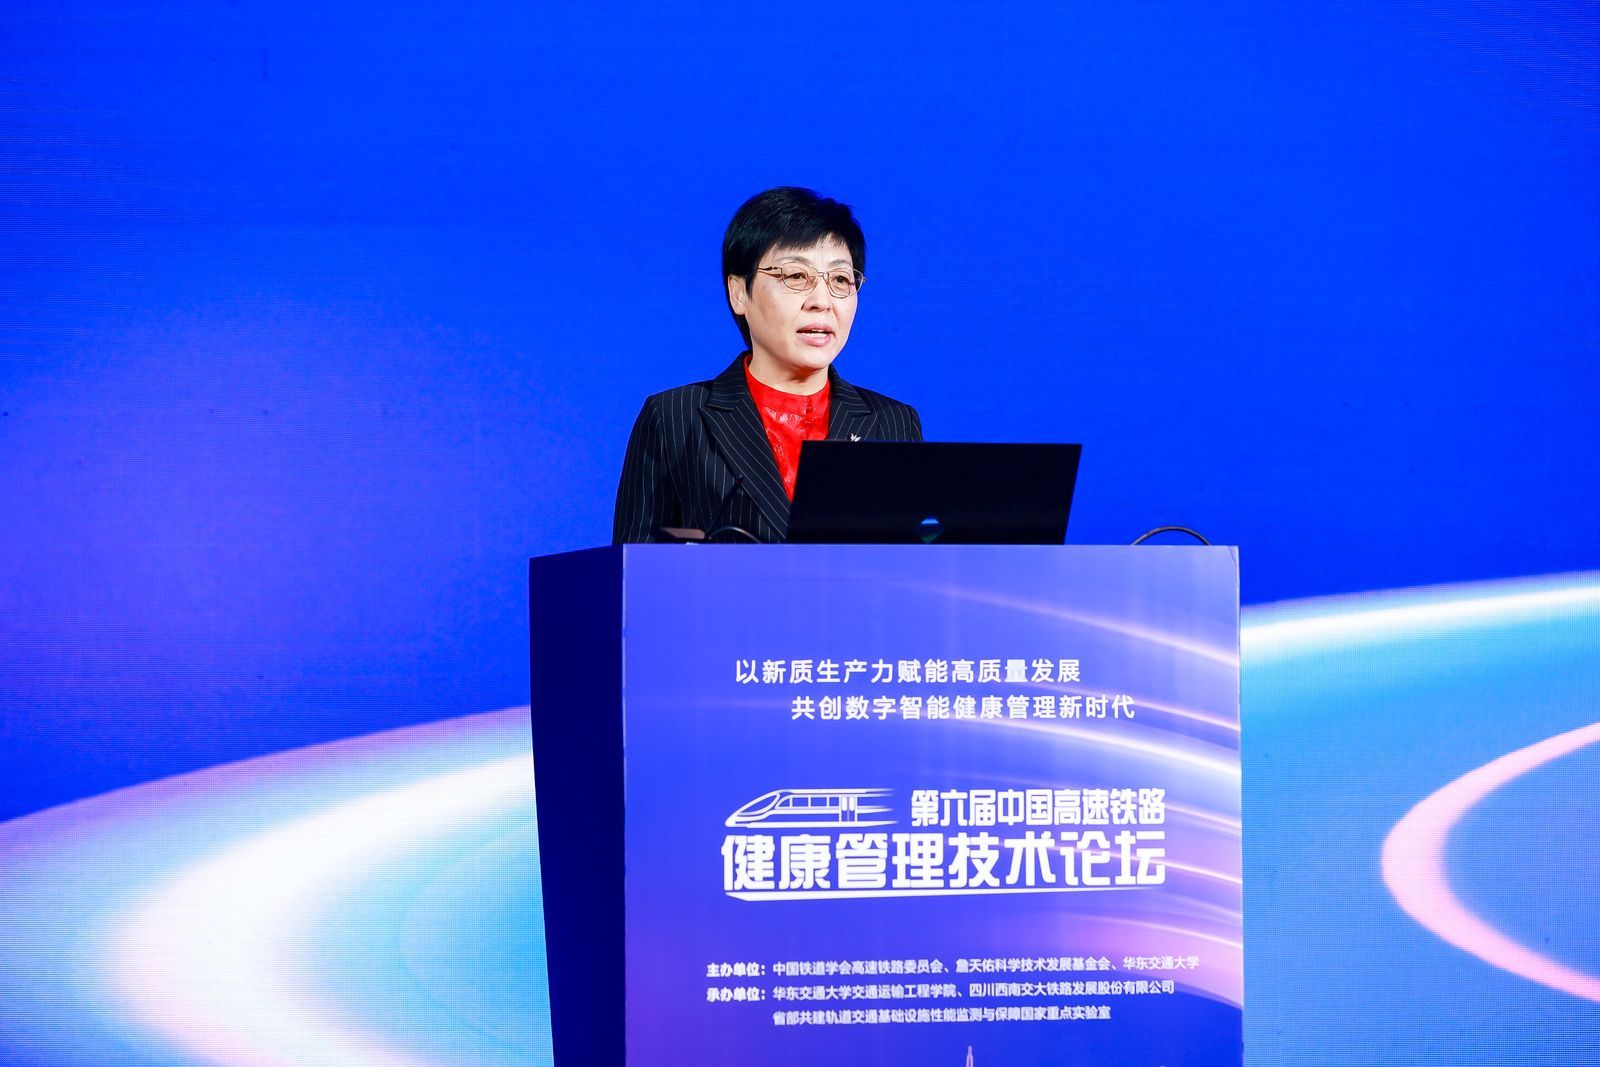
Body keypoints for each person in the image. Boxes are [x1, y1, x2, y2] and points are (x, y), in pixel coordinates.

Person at [613, 187, 922, 543]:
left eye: (840, 279)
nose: (821, 301)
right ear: (739, 293)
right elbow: (631, 568)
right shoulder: (675, 418)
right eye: (796, 276)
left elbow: (916, 564)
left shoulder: (893, 423)